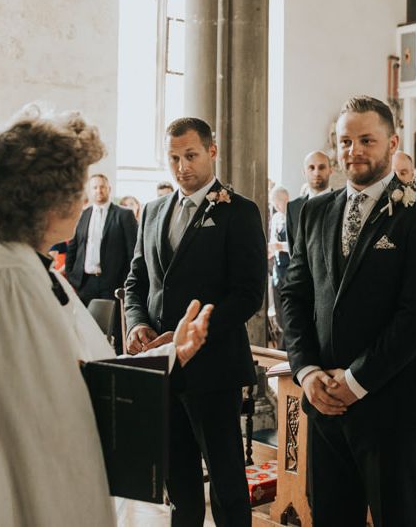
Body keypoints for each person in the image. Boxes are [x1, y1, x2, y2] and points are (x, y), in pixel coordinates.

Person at [0, 106, 212, 527]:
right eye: (77, 186)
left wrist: (168, 358)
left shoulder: (26, 266)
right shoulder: (10, 280)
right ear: (46, 197)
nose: (83, 197)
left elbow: (76, 375)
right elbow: (44, 412)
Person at [282, 96, 416, 527]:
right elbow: (294, 295)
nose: (353, 151)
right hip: (325, 404)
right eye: (345, 141)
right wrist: (306, 371)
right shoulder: (313, 211)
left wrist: (357, 380)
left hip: (391, 404)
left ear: (392, 143)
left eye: (366, 140)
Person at [124, 117, 267, 527]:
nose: (182, 166)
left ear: (212, 152)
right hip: (160, 366)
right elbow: (137, 280)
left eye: (190, 156)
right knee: (177, 481)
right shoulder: (152, 211)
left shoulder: (237, 212)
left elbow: (247, 294)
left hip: (213, 366)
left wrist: (194, 331)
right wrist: (136, 323)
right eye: (173, 158)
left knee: (225, 484)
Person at [66, 173, 138, 353]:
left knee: (113, 330)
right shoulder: (83, 215)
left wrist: (125, 282)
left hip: (111, 283)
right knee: (85, 329)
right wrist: (73, 276)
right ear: (90, 191)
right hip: (85, 282)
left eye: (102, 187)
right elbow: (73, 247)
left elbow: (133, 252)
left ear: (109, 189)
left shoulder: (124, 215)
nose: (99, 190)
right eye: (95, 187)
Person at [286, 150, 332, 257]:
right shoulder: (293, 207)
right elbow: (293, 251)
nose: (316, 173)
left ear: (330, 170)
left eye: (321, 167)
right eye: (311, 168)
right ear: (304, 172)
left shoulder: (343, 203)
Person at [268, 185, 290, 349]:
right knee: (278, 309)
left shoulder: (294, 216)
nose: (276, 207)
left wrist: (280, 246)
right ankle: (282, 346)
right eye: (274, 204)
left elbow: (297, 246)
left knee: (290, 309)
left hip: (290, 268)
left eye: (278, 203)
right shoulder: (276, 218)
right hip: (277, 268)